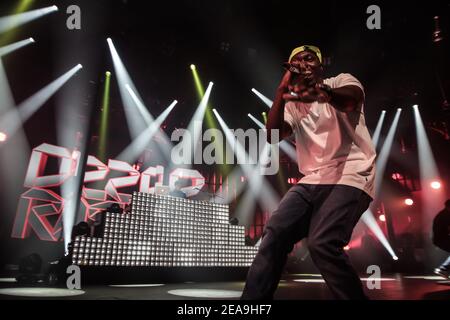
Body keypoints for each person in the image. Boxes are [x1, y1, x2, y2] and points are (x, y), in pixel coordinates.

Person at [241, 45, 376, 300]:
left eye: (309, 58)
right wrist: (282, 90)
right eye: (297, 60)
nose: (303, 63)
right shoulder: (293, 105)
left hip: (351, 172)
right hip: (313, 178)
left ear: (320, 64)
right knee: (275, 233)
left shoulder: (341, 81)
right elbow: (272, 136)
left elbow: (349, 101)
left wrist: (320, 90)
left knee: (322, 242)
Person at [432, 199, 450, 279]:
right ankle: (443, 268)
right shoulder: (445, 215)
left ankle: (444, 268)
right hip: (442, 239)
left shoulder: (444, 214)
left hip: (442, 239)